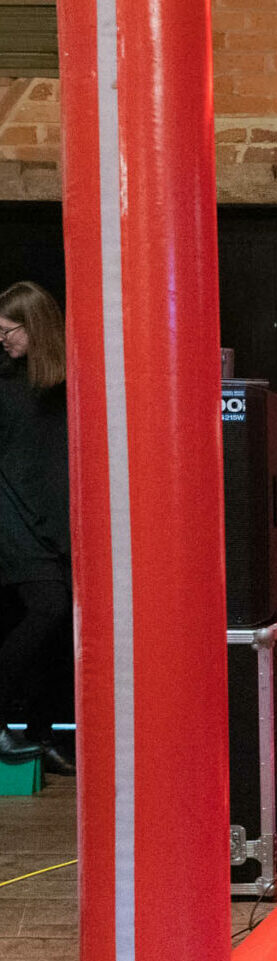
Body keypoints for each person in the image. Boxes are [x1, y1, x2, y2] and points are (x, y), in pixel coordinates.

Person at [0, 281, 74, 777]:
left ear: (37, 326)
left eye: (8, 330)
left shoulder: (69, 383)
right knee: (49, 610)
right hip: (13, 519)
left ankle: (42, 735)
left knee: (56, 632)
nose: (1, 339)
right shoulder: (2, 381)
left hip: (57, 522)